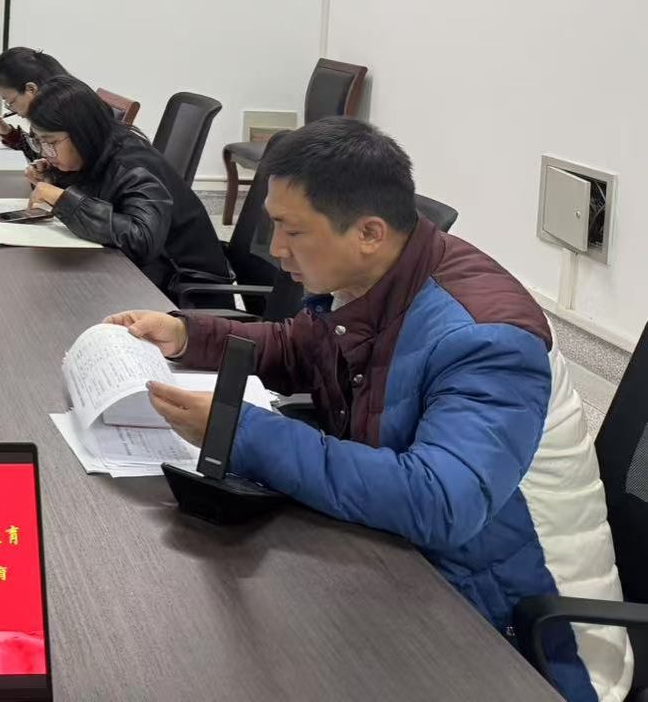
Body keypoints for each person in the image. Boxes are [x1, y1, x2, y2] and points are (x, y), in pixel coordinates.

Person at [108, 118, 630, 702]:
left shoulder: (485, 340)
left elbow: (440, 501)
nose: (274, 248)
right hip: (414, 566)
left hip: (529, 642)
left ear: (369, 233)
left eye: (292, 230)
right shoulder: (377, 279)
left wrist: (241, 433)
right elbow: (299, 348)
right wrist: (187, 335)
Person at [24, 75, 231, 296]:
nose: (45, 151)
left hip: (183, 290)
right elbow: (101, 194)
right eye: (39, 142)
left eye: (51, 142)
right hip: (149, 275)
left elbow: (141, 240)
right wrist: (53, 179)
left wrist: (62, 199)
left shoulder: (133, 163)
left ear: (82, 133)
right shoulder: (99, 150)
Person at [0, 46, 70, 161]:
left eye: (10, 102)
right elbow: (38, 154)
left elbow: (52, 161)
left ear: (31, 89)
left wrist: (45, 172)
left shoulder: (65, 122)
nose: (12, 109)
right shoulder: (50, 112)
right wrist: (7, 132)